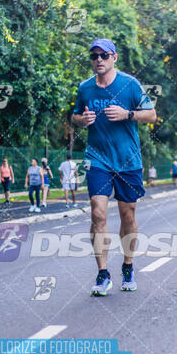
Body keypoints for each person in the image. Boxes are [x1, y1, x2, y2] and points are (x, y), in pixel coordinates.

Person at [71, 37, 156, 296]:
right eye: (94, 56)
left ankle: (128, 266)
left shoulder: (129, 85)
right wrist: (81, 120)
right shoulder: (85, 88)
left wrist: (127, 114)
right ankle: (103, 273)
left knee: (127, 215)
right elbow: (73, 116)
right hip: (97, 159)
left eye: (103, 55)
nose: (98, 60)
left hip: (128, 160)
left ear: (114, 58)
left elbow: (151, 115)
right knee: (98, 213)